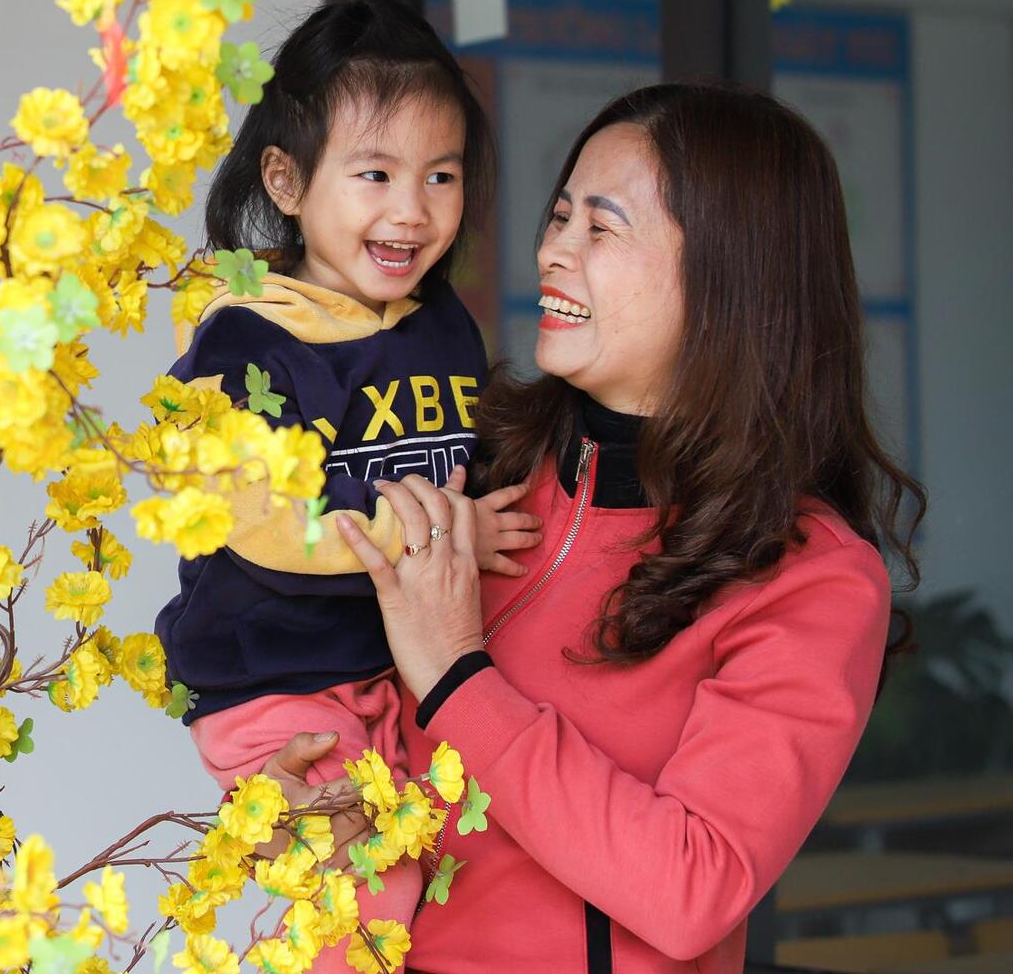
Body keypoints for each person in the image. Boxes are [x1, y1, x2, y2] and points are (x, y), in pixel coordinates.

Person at [261, 82, 924, 973]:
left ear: (731, 275)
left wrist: (458, 677)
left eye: (599, 229)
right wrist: (309, 816)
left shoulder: (806, 575)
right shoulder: (477, 464)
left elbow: (695, 889)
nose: (551, 252)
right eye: (559, 216)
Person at [154, 0, 542, 960]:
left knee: (442, 877)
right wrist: (441, 534)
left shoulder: (438, 322)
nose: (411, 211)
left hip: (386, 668)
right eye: (374, 174)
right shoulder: (246, 347)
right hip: (274, 677)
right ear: (286, 180)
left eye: (441, 176)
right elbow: (267, 526)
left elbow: (463, 446)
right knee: (362, 901)